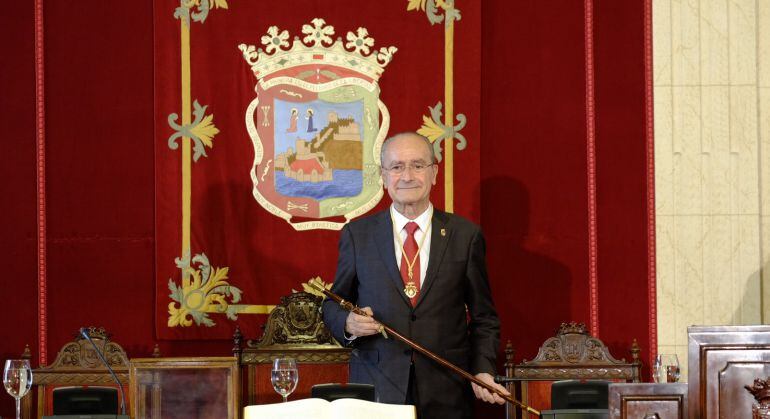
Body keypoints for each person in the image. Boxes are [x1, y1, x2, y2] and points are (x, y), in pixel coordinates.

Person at [322, 132, 509, 419]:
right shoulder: (358, 235)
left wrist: (483, 369)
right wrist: (348, 322)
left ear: (434, 173)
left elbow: (484, 317)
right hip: (377, 388)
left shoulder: (465, 236)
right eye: (397, 167)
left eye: (418, 165)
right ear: (383, 176)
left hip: (447, 390)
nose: (407, 176)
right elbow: (332, 304)